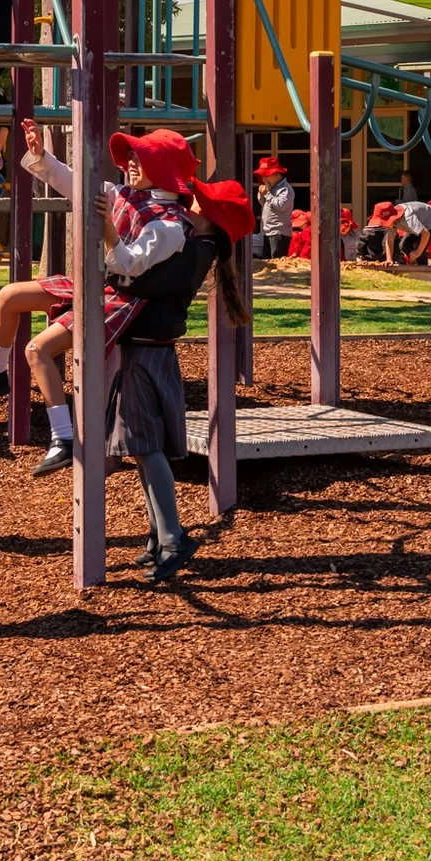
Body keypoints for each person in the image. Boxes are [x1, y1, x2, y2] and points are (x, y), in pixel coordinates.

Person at [0, 125, 213, 477]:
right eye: (131, 156)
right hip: (99, 287)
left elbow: (127, 265)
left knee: (37, 350)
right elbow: (74, 184)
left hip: (121, 300)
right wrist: (41, 156)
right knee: (9, 295)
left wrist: (108, 229)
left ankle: (63, 437)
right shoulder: (124, 193)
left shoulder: (169, 226)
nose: (130, 162)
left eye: (140, 158)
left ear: (164, 168)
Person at [108, 178, 254, 583]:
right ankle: (159, 535)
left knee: (146, 447)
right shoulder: (196, 247)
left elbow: (139, 281)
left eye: (200, 204)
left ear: (212, 220)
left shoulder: (194, 251)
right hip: (148, 350)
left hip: (148, 353)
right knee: (142, 448)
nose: (190, 204)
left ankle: (173, 538)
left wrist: (112, 240)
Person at [249, 155, 295, 260]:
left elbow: (281, 206)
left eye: (267, 175)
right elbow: (264, 204)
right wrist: (261, 195)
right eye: (263, 176)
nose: (264, 179)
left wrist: (267, 194)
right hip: (266, 231)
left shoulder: (285, 189)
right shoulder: (270, 187)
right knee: (267, 261)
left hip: (278, 232)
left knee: (277, 260)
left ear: (277, 174)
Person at [394, 196, 431, 265]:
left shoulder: (408, 218)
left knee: (419, 248)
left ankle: (423, 268)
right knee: (403, 245)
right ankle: (412, 262)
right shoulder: (396, 217)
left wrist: (417, 252)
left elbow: (426, 234)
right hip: (419, 223)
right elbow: (390, 238)